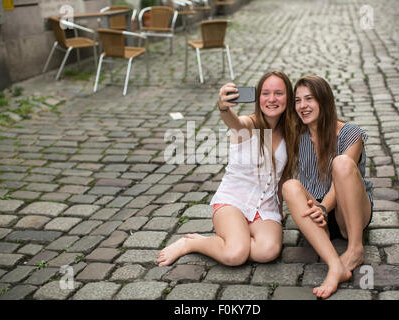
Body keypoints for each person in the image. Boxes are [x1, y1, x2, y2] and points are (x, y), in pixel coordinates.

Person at [157, 70, 296, 267]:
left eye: (279, 93)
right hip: (233, 202)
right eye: (266, 93)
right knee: (234, 255)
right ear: (258, 97)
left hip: (265, 208)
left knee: (267, 252)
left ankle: (230, 239)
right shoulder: (249, 124)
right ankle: (192, 243)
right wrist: (224, 108)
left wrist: (280, 209)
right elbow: (235, 121)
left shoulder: (291, 132)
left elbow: (282, 178)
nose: (272, 99)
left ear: (288, 97)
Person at [282, 74, 373, 299]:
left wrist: (323, 207)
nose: (303, 106)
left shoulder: (350, 133)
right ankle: (335, 265)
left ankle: (354, 249)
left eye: (309, 99)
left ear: (324, 100)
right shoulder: (298, 134)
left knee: (341, 163)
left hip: (348, 211)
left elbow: (340, 182)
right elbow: (264, 121)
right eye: (298, 100)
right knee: (290, 186)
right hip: (319, 214)